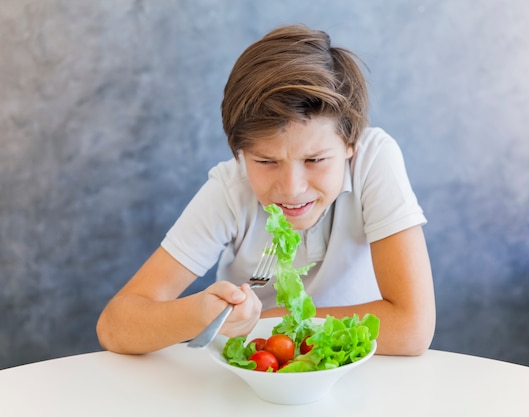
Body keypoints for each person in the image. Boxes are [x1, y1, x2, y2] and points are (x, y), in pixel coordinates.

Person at [96, 24, 435, 356]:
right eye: (266, 162)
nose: (291, 189)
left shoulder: (373, 159)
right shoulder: (232, 189)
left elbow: (412, 328)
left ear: (349, 143)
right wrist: (201, 314)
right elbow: (114, 326)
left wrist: (267, 322)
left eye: (315, 159)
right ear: (239, 154)